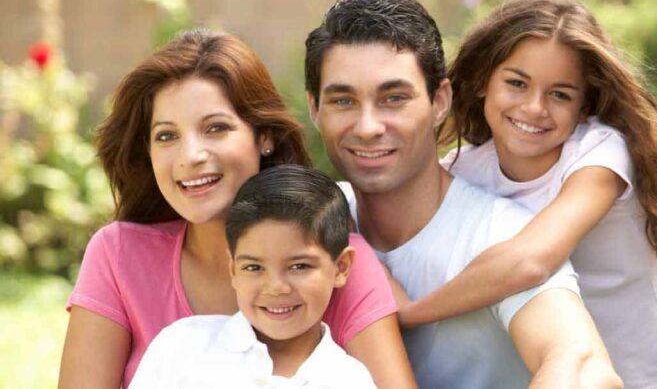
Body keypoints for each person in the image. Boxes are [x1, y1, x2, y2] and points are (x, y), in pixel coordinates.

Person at [391, 0, 657, 388]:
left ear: (585, 104)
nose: (534, 108)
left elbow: (533, 259)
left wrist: (412, 312)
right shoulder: (466, 171)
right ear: (483, 82)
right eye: (517, 83)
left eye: (560, 94)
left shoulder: (600, 154)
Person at [59, 28, 415, 389]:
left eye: (215, 128)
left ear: (264, 137)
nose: (191, 156)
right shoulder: (118, 255)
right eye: (167, 135)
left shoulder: (330, 254)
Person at [304, 0, 622, 388]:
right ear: (314, 108)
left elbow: (581, 365)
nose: (368, 127)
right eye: (343, 101)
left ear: (440, 101)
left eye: (394, 98)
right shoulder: (311, 222)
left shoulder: (500, 233)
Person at [129, 165, 377, 388]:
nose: (276, 287)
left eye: (299, 266)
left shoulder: (351, 381)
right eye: (254, 268)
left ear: (341, 267)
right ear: (233, 270)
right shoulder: (181, 347)